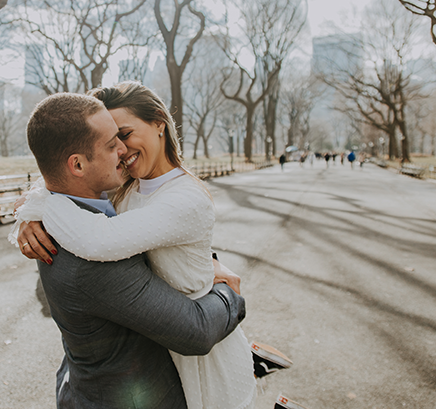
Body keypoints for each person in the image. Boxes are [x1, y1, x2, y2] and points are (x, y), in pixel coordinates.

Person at [14, 83, 262, 409]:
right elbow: (65, 173)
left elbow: (102, 237)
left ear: (159, 122)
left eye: (125, 134)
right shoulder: (124, 190)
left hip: (203, 356)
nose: (119, 148)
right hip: (164, 352)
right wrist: (29, 212)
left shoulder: (182, 197)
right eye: (111, 140)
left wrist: (40, 208)